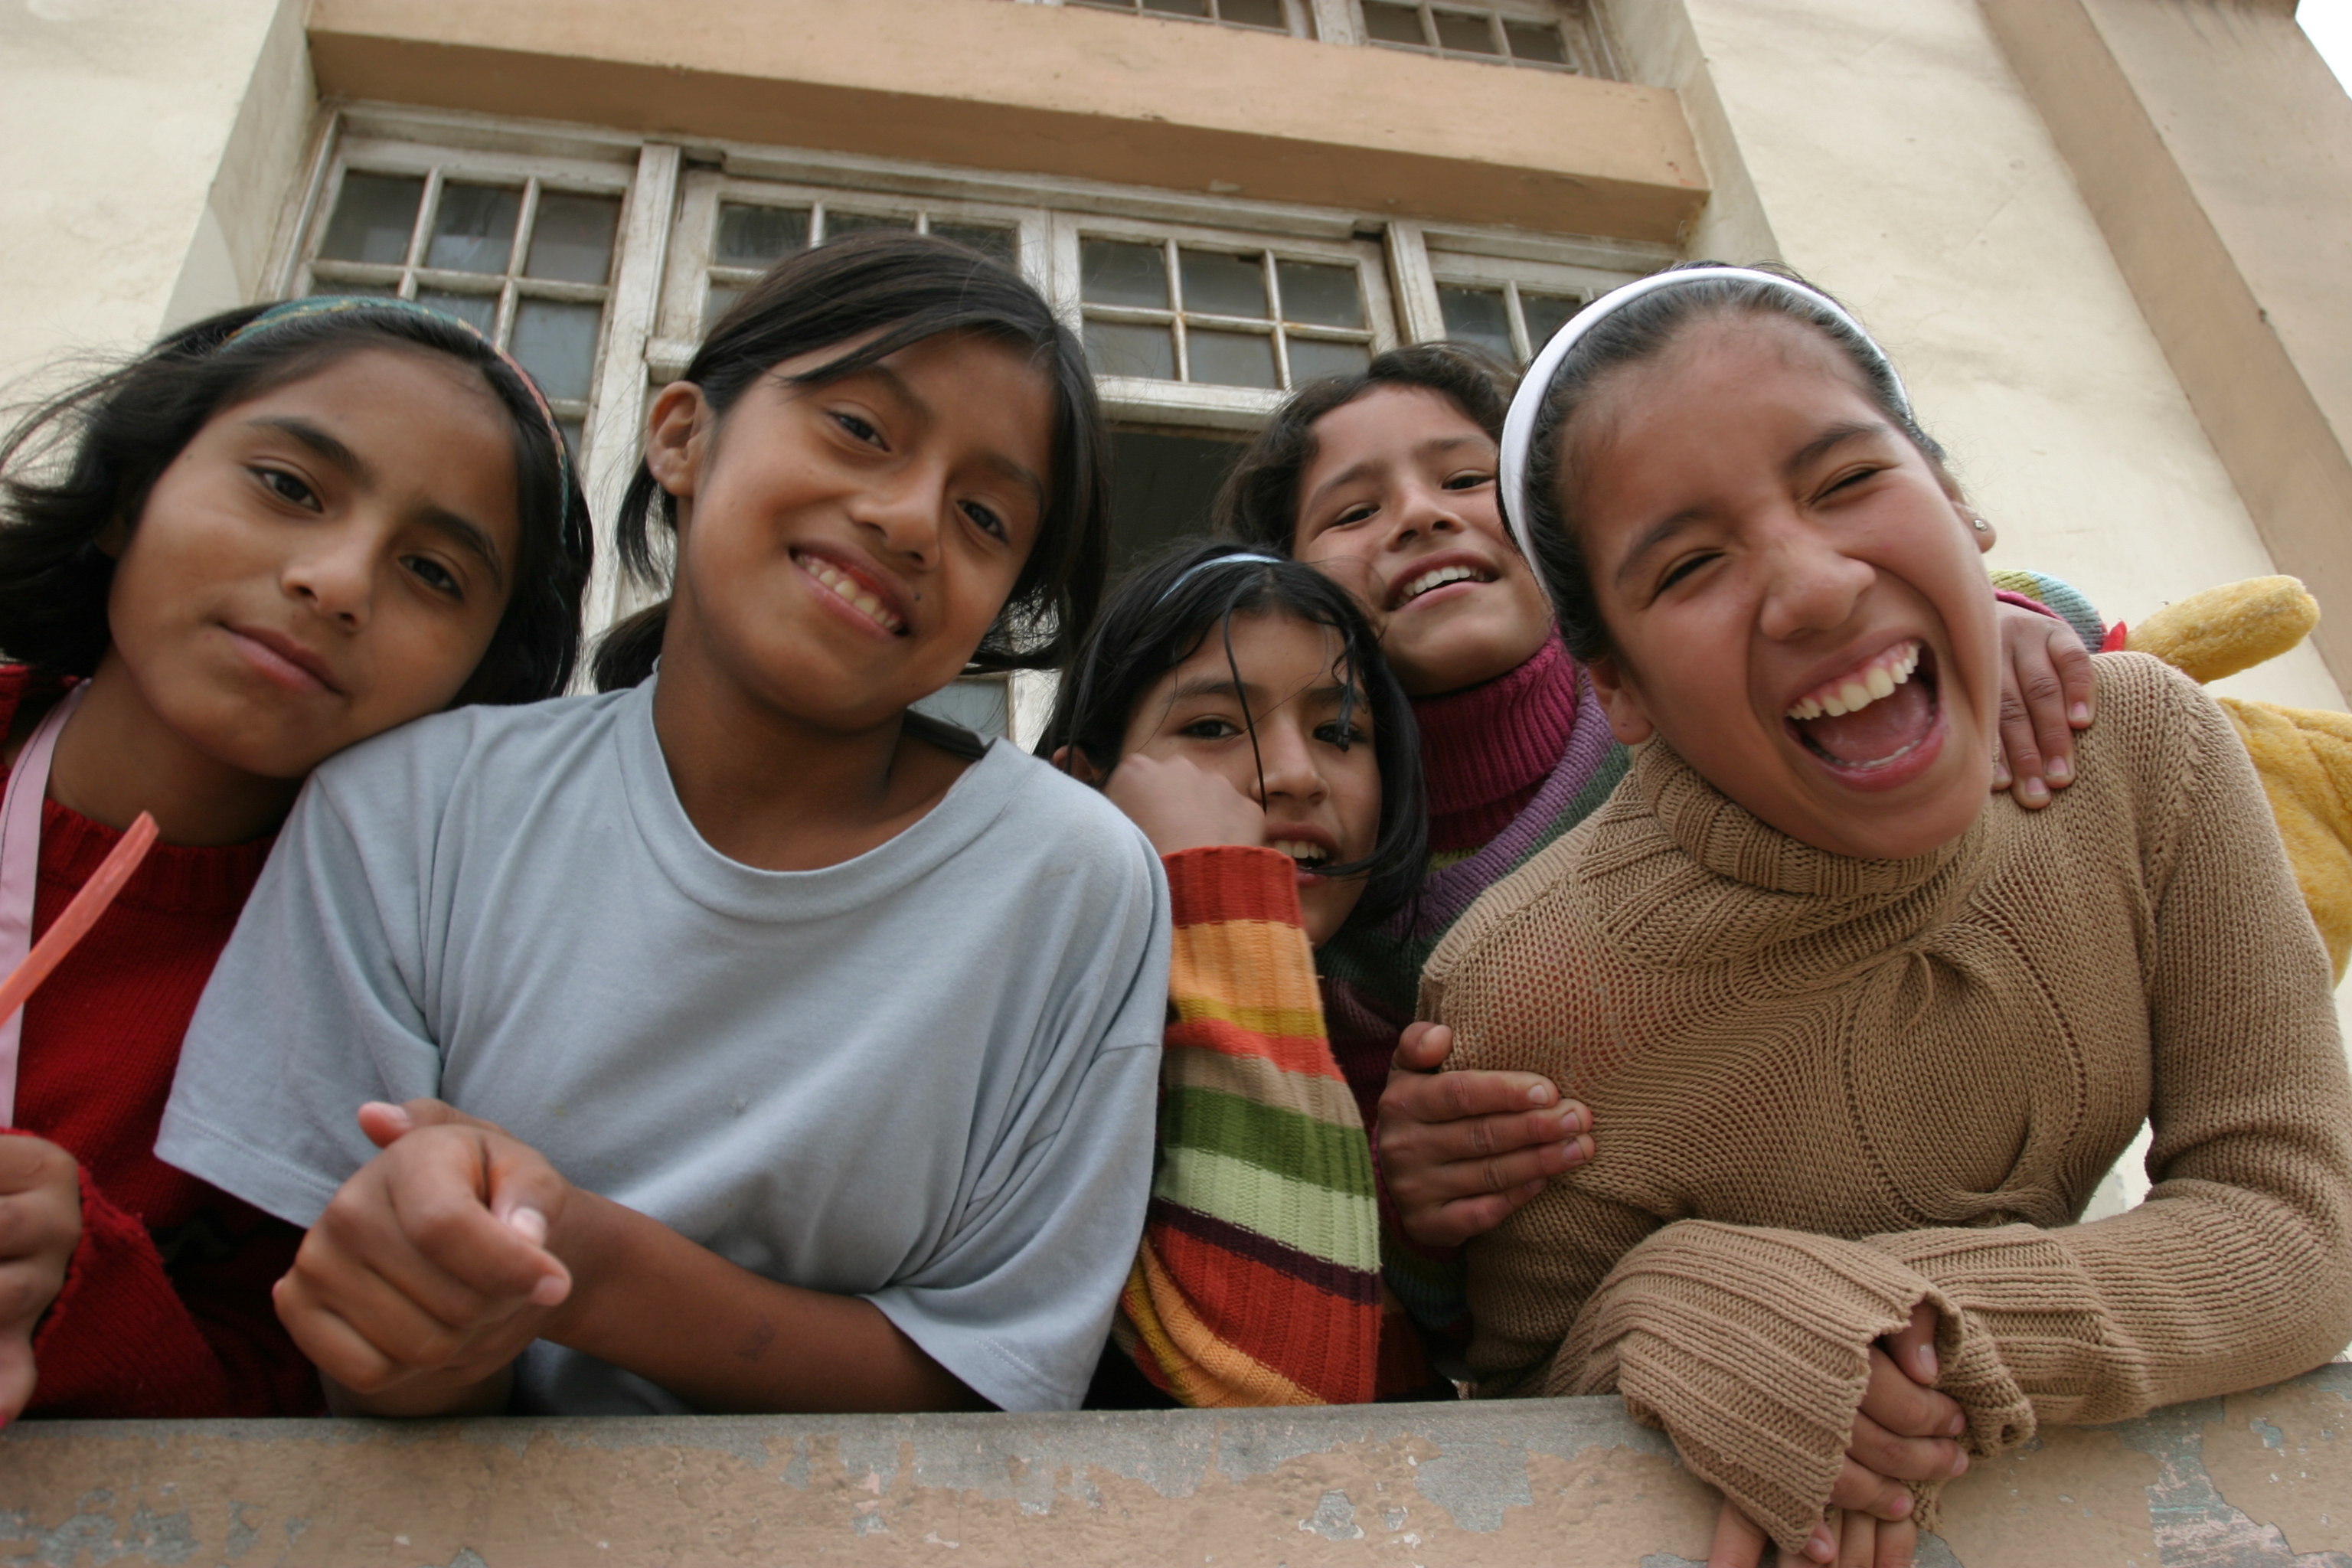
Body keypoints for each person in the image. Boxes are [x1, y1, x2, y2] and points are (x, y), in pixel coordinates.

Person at [1420, 263, 2352, 1568]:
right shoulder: (1525, 993)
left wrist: (1890, 1325)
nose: (1809, 586)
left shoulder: (2147, 753)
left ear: (1958, 502)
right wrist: (1659, 1314)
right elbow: (1518, 1400)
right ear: (1617, 687)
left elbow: (2295, 1228)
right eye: (1689, 562)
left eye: (1849, 481)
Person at [158, 234, 1171, 1419]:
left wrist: (581, 1266)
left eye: (988, 516)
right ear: (684, 435)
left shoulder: (1071, 882)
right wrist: (437, 1316)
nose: (909, 518)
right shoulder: (410, 811)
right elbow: (299, 1327)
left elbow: (991, 1379)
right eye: (859, 429)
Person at [1215, 343, 2105, 1328]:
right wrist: (1415, 1209)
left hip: (2010, 1251)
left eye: (1468, 478)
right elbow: (1451, 1326)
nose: (1422, 514)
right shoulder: (1342, 903)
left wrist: (2004, 621)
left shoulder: (1694, 687)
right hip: (1698, 1339)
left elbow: (2038, 622)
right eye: (1352, 512)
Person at [0, 295, 591, 1422]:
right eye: (287, 486)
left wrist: (73, 1288)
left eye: (434, 574)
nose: (337, 580)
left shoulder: (409, 980)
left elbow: (291, 1405)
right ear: (133, 492)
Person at [1040, 541, 1429, 1406]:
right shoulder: (1049, 1056)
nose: (1294, 774)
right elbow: (1282, 1389)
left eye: (1340, 732)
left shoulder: (1383, 1053)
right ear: (1082, 789)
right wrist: (1220, 899)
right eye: (1213, 727)